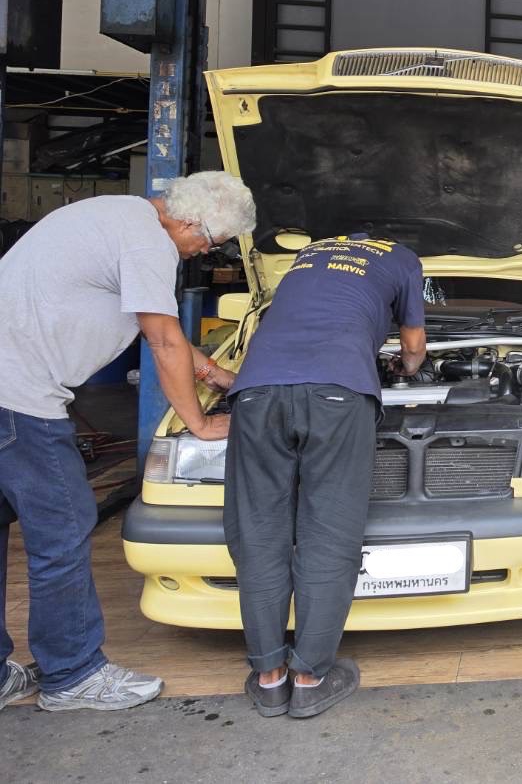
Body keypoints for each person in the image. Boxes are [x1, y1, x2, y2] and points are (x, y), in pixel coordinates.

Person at [0, 171, 256, 712]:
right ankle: (72, 674)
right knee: (63, 531)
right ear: (190, 222)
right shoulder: (147, 242)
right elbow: (162, 339)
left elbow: (157, 329)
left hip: (6, 391)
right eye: (211, 242)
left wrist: (213, 373)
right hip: (20, 398)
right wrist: (200, 422)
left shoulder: (117, 217)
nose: (203, 254)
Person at [225, 234, 426, 719]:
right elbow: (414, 345)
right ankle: (311, 678)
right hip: (338, 391)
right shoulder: (402, 258)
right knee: (329, 533)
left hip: (256, 392)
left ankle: (269, 678)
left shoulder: (308, 254)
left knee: (258, 533)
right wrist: (406, 369)